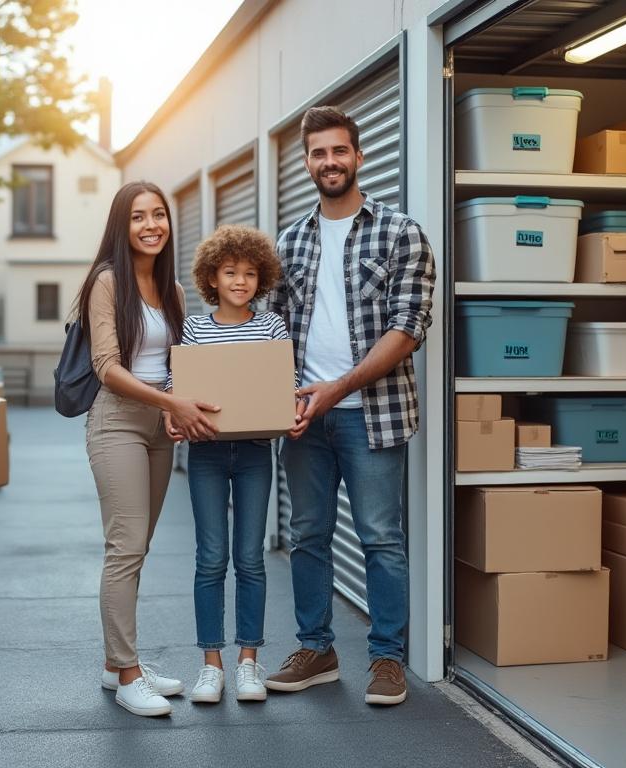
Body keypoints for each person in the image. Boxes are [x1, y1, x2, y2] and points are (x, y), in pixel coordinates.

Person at [263, 106, 437, 706]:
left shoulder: (400, 232)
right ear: (306, 161)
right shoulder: (289, 242)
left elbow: (408, 327)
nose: (329, 162)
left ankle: (387, 658)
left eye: (339, 151)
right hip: (304, 418)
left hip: (373, 414)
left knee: (381, 538)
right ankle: (317, 648)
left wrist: (337, 387)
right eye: (318, 153)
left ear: (359, 156)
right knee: (308, 535)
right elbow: (274, 331)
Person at [76, 180, 221, 718]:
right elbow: (107, 368)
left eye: (158, 215)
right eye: (139, 217)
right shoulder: (107, 283)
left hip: (162, 428)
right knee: (125, 547)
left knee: (139, 546)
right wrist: (172, 402)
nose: (151, 225)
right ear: (123, 225)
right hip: (116, 423)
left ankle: (119, 664)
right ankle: (128, 673)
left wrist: (177, 407)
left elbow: (178, 367)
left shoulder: (174, 292)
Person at [161, 225, 299, 704]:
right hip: (206, 453)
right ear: (211, 277)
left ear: (260, 279)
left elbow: (287, 384)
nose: (239, 280)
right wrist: (171, 411)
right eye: (229, 271)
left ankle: (249, 663)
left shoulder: (273, 327)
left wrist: (291, 410)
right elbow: (177, 389)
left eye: (249, 273)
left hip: (257, 452)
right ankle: (211, 665)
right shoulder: (195, 329)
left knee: (250, 558)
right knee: (211, 558)